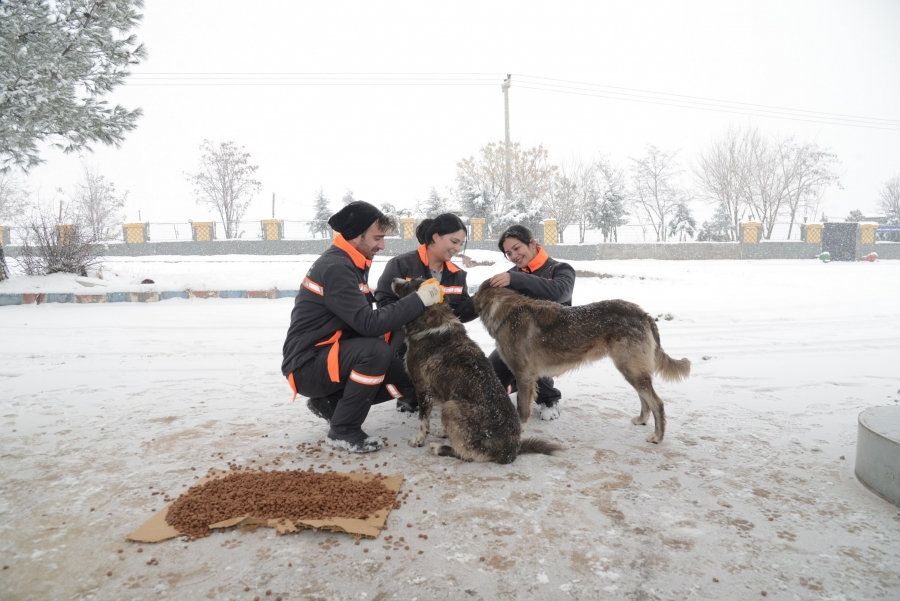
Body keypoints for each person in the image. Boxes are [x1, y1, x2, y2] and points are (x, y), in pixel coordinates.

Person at [282, 201, 442, 453]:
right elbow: (368, 323)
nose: (382, 245)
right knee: (374, 351)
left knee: (411, 371)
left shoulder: (351, 263)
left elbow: (361, 320)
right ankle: (343, 430)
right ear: (356, 236)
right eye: (377, 238)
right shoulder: (336, 268)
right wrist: (419, 300)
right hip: (308, 365)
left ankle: (332, 404)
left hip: (330, 357)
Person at [375, 214, 478, 408]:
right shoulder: (402, 264)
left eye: (460, 244)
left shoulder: (457, 274)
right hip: (404, 334)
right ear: (436, 237)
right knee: (415, 360)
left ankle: (445, 397)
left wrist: (481, 301)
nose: (457, 248)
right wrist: (415, 311)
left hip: (440, 336)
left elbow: (459, 313)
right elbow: (384, 301)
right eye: (454, 241)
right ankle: (407, 395)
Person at [487, 224, 576, 420]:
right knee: (488, 378)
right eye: (508, 253)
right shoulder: (512, 275)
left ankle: (548, 399)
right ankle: (516, 385)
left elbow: (560, 292)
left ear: (532, 243)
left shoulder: (560, 269)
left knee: (531, 352)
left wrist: (516, 279)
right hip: (516, 342)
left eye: (517, 248)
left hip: (553, 342)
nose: (514, 256)